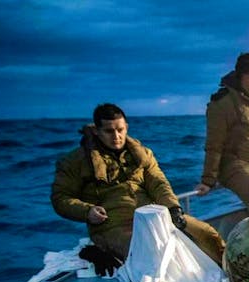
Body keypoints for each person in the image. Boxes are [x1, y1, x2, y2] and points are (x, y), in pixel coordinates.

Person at [51, 103, 225, 269]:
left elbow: (158, 183)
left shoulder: (143, 154)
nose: (116, 136)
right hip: (112, 226)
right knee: (151, 253)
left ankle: (232, 275)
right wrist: (87, 211)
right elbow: (60, 198)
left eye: (120, 130)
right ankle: (99, 250)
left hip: (153, 216)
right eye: (109, 131)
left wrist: (173, 209)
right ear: (96, 131)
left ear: (126, 126)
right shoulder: (74, 161)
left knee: (207, 234)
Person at [194, 53, 249, 202]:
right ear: (246, 77)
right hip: (235, 166)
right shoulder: (222, 104)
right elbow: (214, 144)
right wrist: (208, 180)